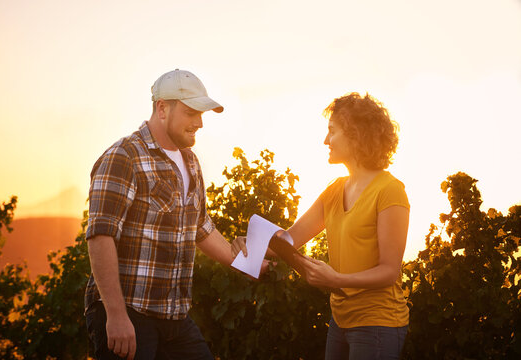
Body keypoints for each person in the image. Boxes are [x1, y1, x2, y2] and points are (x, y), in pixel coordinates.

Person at [85, 69, 254, 360]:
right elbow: (101, 235)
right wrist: (116, 314)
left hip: (175, 317)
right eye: (191, 113)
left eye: (202, 114)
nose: (199, 123)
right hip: (130, 314)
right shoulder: (123, 156)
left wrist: (246, 263)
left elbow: (201, 228)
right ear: (162, 108)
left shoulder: (190, 161)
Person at [233, 92, 410, 359]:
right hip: (340, 321)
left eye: (332, 131)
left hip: (378, 324)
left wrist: (337, 279)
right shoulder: (334, 190)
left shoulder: (390, 191)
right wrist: (250, 245)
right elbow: (290, 239)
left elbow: (389, 270)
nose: (325, 140)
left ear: (356, 134)